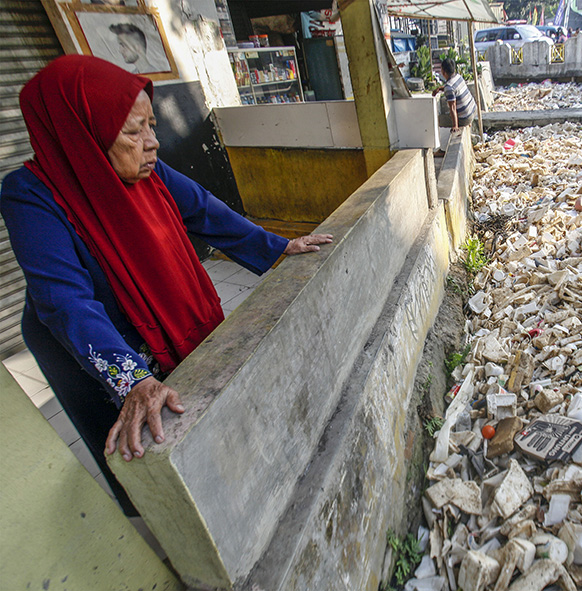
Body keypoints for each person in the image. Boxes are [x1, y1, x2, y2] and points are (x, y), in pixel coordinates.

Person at [0, 55, 333, 515]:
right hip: (93, 342)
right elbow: (66, 303)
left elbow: (204, 210)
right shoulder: (30, 195)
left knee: (206, 415)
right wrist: (133, 376)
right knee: (147, 454)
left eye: (152, 126)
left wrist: (275, 249)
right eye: (134, 132)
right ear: (84, 134)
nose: (153, 143)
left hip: (157, 320)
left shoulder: (148, 171)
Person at [432, 58, 476, 133]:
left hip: (465, 118)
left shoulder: (449, 87)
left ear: (444, 72)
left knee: (436, 120)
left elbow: (453, 107)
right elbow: (454, 89)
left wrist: (455, 126)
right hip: (473, 110)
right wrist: (440, 88)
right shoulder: (458, 77)